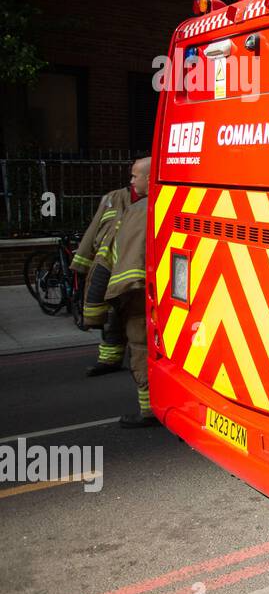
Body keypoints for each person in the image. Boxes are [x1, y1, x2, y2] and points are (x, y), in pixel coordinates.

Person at [103, 157, 154, 428]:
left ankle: (148, 411)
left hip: (136, 296)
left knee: (139, 347)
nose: (131, 181)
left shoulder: (139, 210)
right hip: (147, 291)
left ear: (149, 177)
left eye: (136, 176)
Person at [71, 180, 133, 375]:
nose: (131, 180)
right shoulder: (113, 198)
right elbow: (94, 228)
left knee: (136, 318)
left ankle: (142, 361)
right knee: (112, 314)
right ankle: (109, 359)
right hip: (110, 267)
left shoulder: (154, 200)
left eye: (136, 175)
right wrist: (81, 262)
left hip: (134, 268)